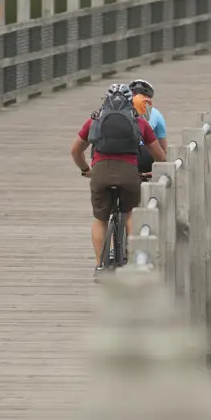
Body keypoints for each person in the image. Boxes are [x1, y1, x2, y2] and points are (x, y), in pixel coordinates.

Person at [70, 83, 166, 277]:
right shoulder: (139, 121)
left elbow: (75, 150)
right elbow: (160, 155)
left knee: (100, 219)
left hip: (100, 172)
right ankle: (132, 260)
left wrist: (85, 169)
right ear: (130, 101)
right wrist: (153, 171)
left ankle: (99, 266)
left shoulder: (94, 120)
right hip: (129, 173)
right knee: (130, 213)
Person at [129, 79, 168, 173]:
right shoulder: (157, 114)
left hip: (121, 156)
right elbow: (163, 148)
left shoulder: (120, 112)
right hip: (144, 157)